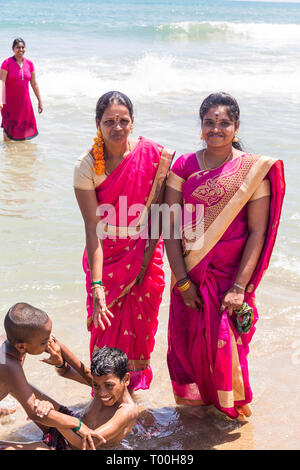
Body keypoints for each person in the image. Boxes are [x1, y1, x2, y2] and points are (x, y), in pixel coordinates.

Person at [164, 92, 285, 419]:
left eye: (224, 123)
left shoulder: (251, 172)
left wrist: (240, 287)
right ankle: (197, 415)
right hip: (189, 275)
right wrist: (183, 283)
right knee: (188, 349)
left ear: (236, 126)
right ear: (201, 126)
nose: (216, 129)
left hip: (229, 280)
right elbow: (170, 229)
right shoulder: (184, 166)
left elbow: (257, 232)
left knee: (225, 349)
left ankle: (230, 415)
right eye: (209, 122)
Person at [74, 91, 174, 392]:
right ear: (97, 124)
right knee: (104, 330)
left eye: (123, 120)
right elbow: (92, 229)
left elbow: (164, 214)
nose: (117, 127)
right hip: (107, 257)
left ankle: (131, 399)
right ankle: (104, 395)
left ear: (132, 123)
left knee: (140, 333)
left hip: (146, 255)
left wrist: (149, 260)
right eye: (109, 121)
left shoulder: (155, 156)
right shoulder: (87, 166)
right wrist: (97, 284)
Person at [0, 303, 103, 450]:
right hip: (10, 378)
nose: (50, 342)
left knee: (23, 388)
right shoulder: (10, 365)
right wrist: (77, 424)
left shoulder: (12, 340)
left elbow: (13, 385)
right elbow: (35, 414)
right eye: (44, 342)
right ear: (21, 347)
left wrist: (60, 360)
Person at [1, 343, 138, 450]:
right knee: (12, 380)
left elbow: (85, 445)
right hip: (69, 420)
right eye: (95, 385)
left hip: (70, 445)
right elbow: (65, 371)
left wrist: (55, 419)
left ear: (126, 379)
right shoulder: (102, 380)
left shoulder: (126, 410)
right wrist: (58, 359)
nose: (101, 392)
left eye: (109, 385)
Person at [0, 38, 43, 141]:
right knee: (8, 129)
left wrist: (39, 101)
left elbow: (34, 83)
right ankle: (7, 151)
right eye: (18, 47)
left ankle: (20, 153)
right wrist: (0, 100)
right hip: (9, 102)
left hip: (24, 103)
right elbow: (2, 82)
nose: (20, 49)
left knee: (23, 131)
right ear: (13, 49)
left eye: (23, 47)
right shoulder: (7, 63)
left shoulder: (30, 64)